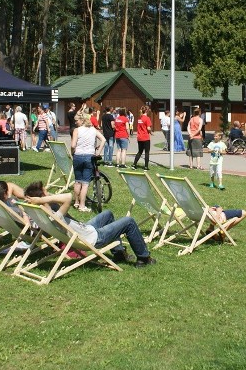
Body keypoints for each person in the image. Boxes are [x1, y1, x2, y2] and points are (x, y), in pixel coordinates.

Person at [24, 181, 156, 267]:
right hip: (92, 238)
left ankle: (119, 253)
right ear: (42, 198)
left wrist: (41, 199)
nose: (50, 194)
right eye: (47, 192)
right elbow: (68, 197)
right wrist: (43, 198)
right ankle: (144, 257)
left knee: (108, 214)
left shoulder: (42, 215)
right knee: (129, 222)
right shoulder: (54, 216)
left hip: (85, 230)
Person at [71, 112, 105, 212]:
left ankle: (76, 202)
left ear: (82, 120)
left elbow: (73, 145)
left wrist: (73, 153)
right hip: (89, 156)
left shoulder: (76, 130)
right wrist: (98, 152)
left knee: (77, 181)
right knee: (85, 183)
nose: (76, 122)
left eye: (77, 120)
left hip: (78, 156)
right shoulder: (93, 130)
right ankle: (82, 205)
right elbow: (103, 139)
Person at [132, 106, 153, 170]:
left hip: (139, 137)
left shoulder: (140, 118)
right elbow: (148, 128)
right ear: (147, 111)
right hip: (145, 137)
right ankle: (146, 166)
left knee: (140, 151)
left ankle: (134, 164)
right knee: (147, 152)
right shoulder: (147, 118)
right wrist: (151, 132)